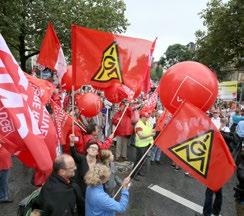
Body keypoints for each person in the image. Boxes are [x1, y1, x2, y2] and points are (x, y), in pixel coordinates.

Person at [132, 111, 155, 180]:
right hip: (140, 145)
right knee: (138, 160)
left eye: (147, 117)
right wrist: (151, 134)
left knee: (142, 160)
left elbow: (150, 130)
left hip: (147, 144)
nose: (147, 118)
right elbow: (141, 136)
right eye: (146, 117)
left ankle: (138, 171)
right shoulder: (138, 124)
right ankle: (133, 175)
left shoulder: (147, 122)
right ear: (142, 117)